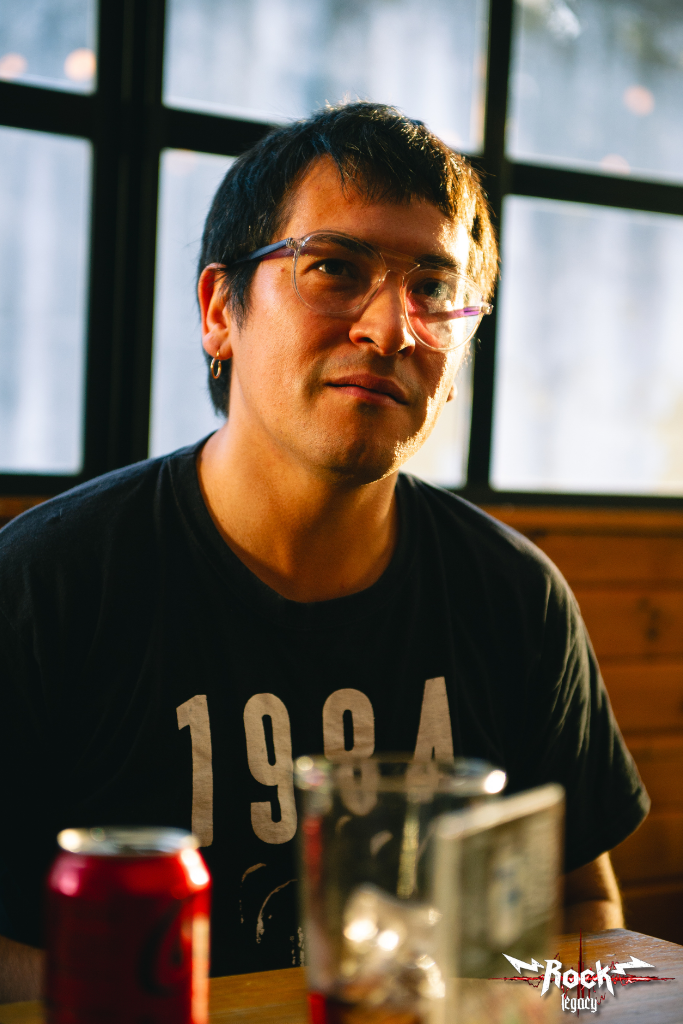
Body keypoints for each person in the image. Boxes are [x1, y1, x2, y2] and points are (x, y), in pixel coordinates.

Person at [0, 103, 648, 1002]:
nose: (390, 330)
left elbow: (579, 903)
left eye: (434, 289)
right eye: (335, 268)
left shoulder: (513, 595)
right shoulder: (47, 582)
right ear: (219, 310)